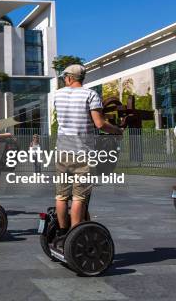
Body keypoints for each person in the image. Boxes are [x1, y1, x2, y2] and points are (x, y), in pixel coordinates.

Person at [53, 64, 122, 248]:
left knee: (61, 196)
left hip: (62, 151)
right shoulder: (90, 95)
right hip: (83, 153)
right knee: (79, 197)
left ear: (68, 78)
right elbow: (99, 124)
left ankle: (61, 233)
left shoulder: (58, 95)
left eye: (64, 77)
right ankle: (75, 237)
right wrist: (116, 130)